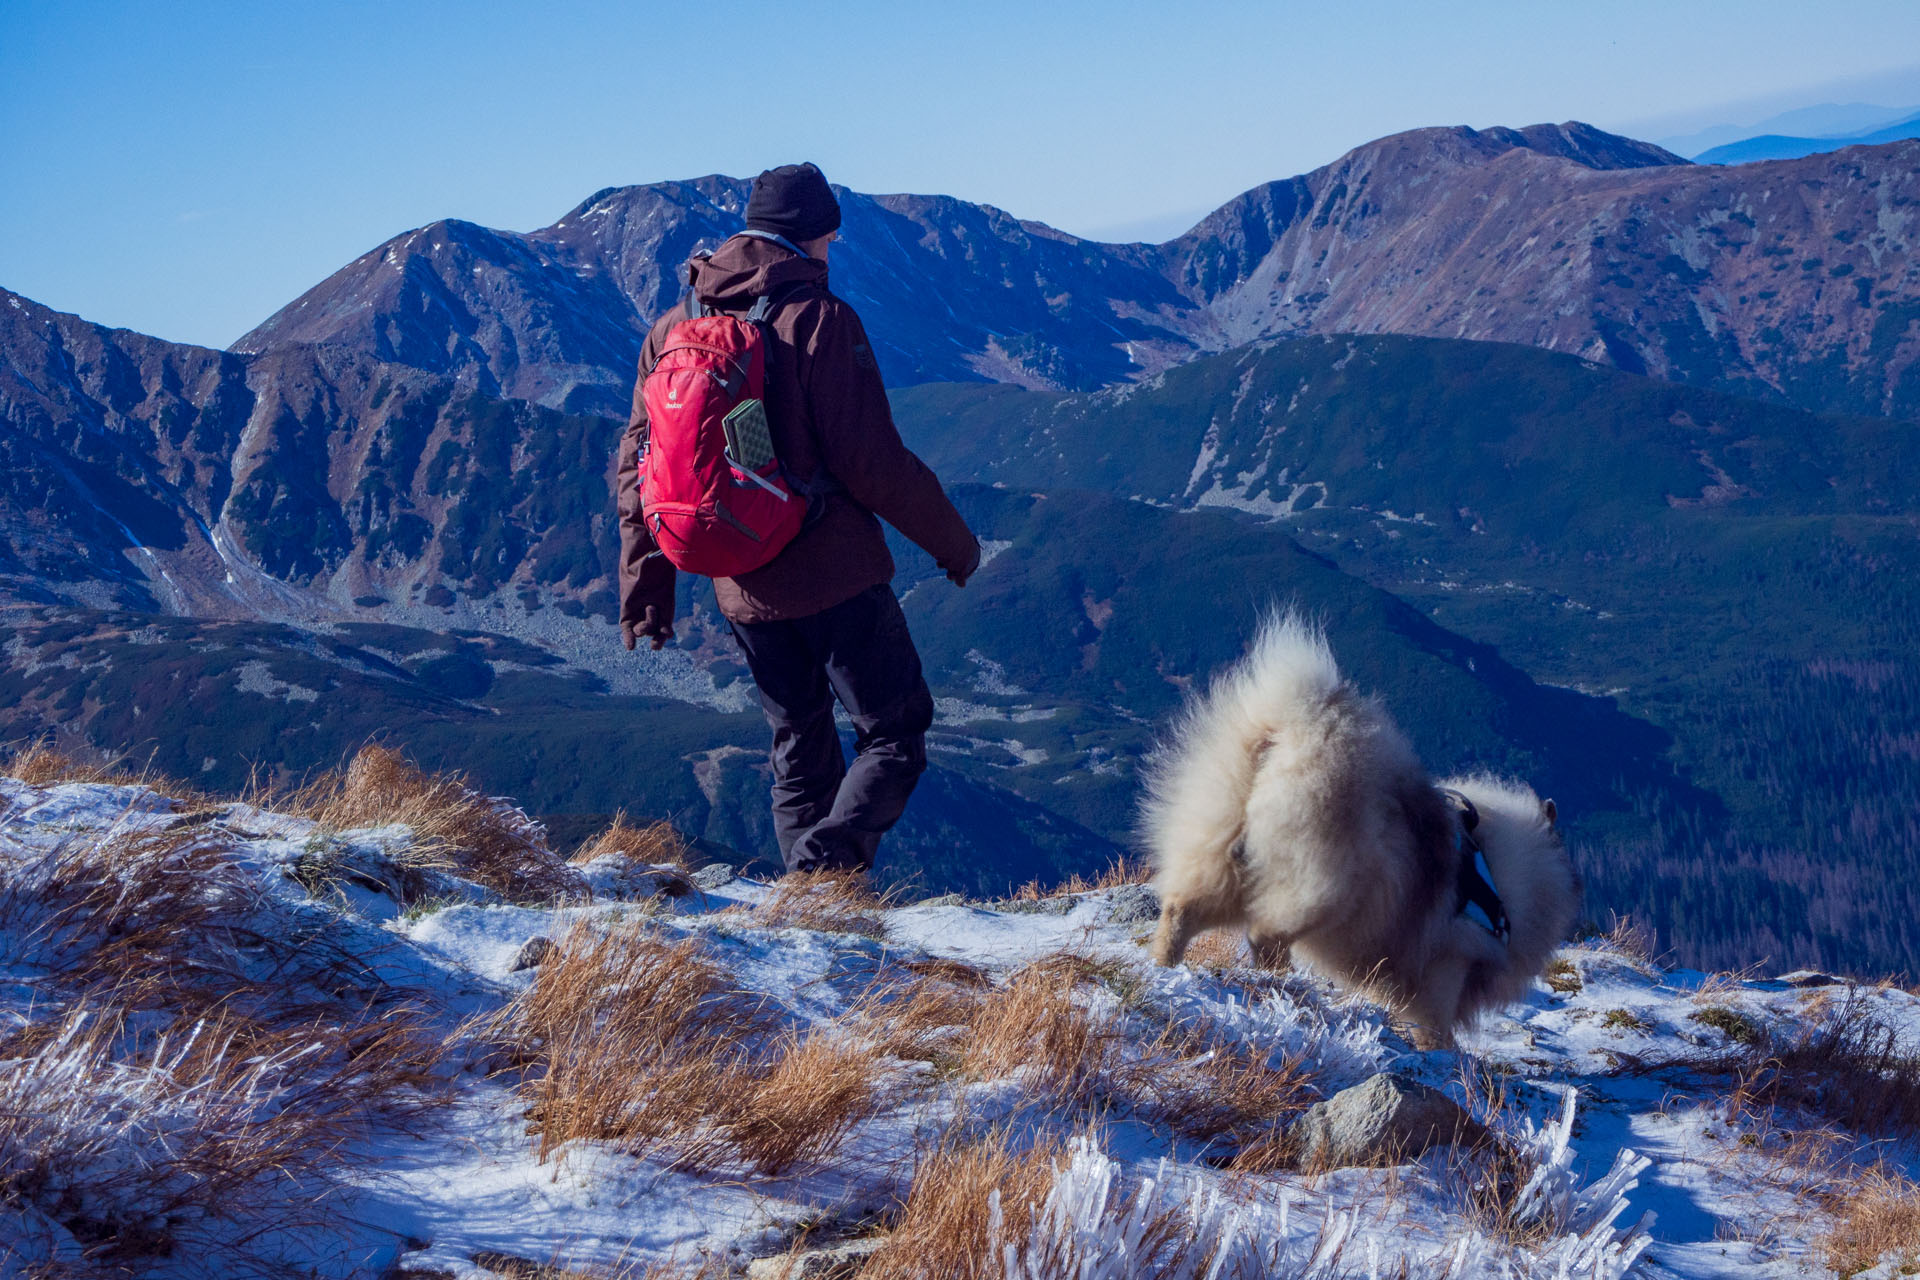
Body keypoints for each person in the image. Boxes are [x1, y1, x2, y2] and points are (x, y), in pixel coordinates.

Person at [616, 162, 981, 877]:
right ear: (811, 236)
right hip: (836, 575)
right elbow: (872, 461)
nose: (832, 248)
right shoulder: (818, 319)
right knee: (895, 732)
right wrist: (955, 545)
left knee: (797, 746)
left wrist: (647, 590)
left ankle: (810, 907)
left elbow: (641, 468)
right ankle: (823, 869)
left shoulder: (674, 327)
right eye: (830, 236)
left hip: (740, 583)